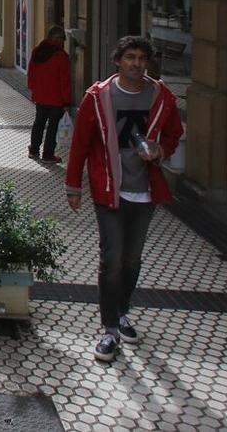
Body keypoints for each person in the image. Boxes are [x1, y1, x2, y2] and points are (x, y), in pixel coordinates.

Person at [65, 35, 183, 362]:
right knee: (111, 257)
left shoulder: (162, 96)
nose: (137, 64)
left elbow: (174, 133)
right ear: (118, 61)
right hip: (109, 189)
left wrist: (162, 150)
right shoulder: (99, 96)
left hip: (145, 189)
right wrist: (73, 185)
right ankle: (109, 329)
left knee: (132, 259)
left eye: (142, 58)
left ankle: (123, 310)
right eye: (130, 57)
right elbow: (81, 144)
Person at [27, 26, 72, 162]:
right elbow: (65, 80)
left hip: (40, 97)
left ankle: (34, 150)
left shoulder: (37, 52)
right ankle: (48, 154)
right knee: (52, 127)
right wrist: (67, 101)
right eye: (63, 39)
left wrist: (33, 90)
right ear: (58, 39)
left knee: (39, 123)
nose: (63, 43)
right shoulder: (60, 56)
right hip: (56, 99)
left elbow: (31, 74)